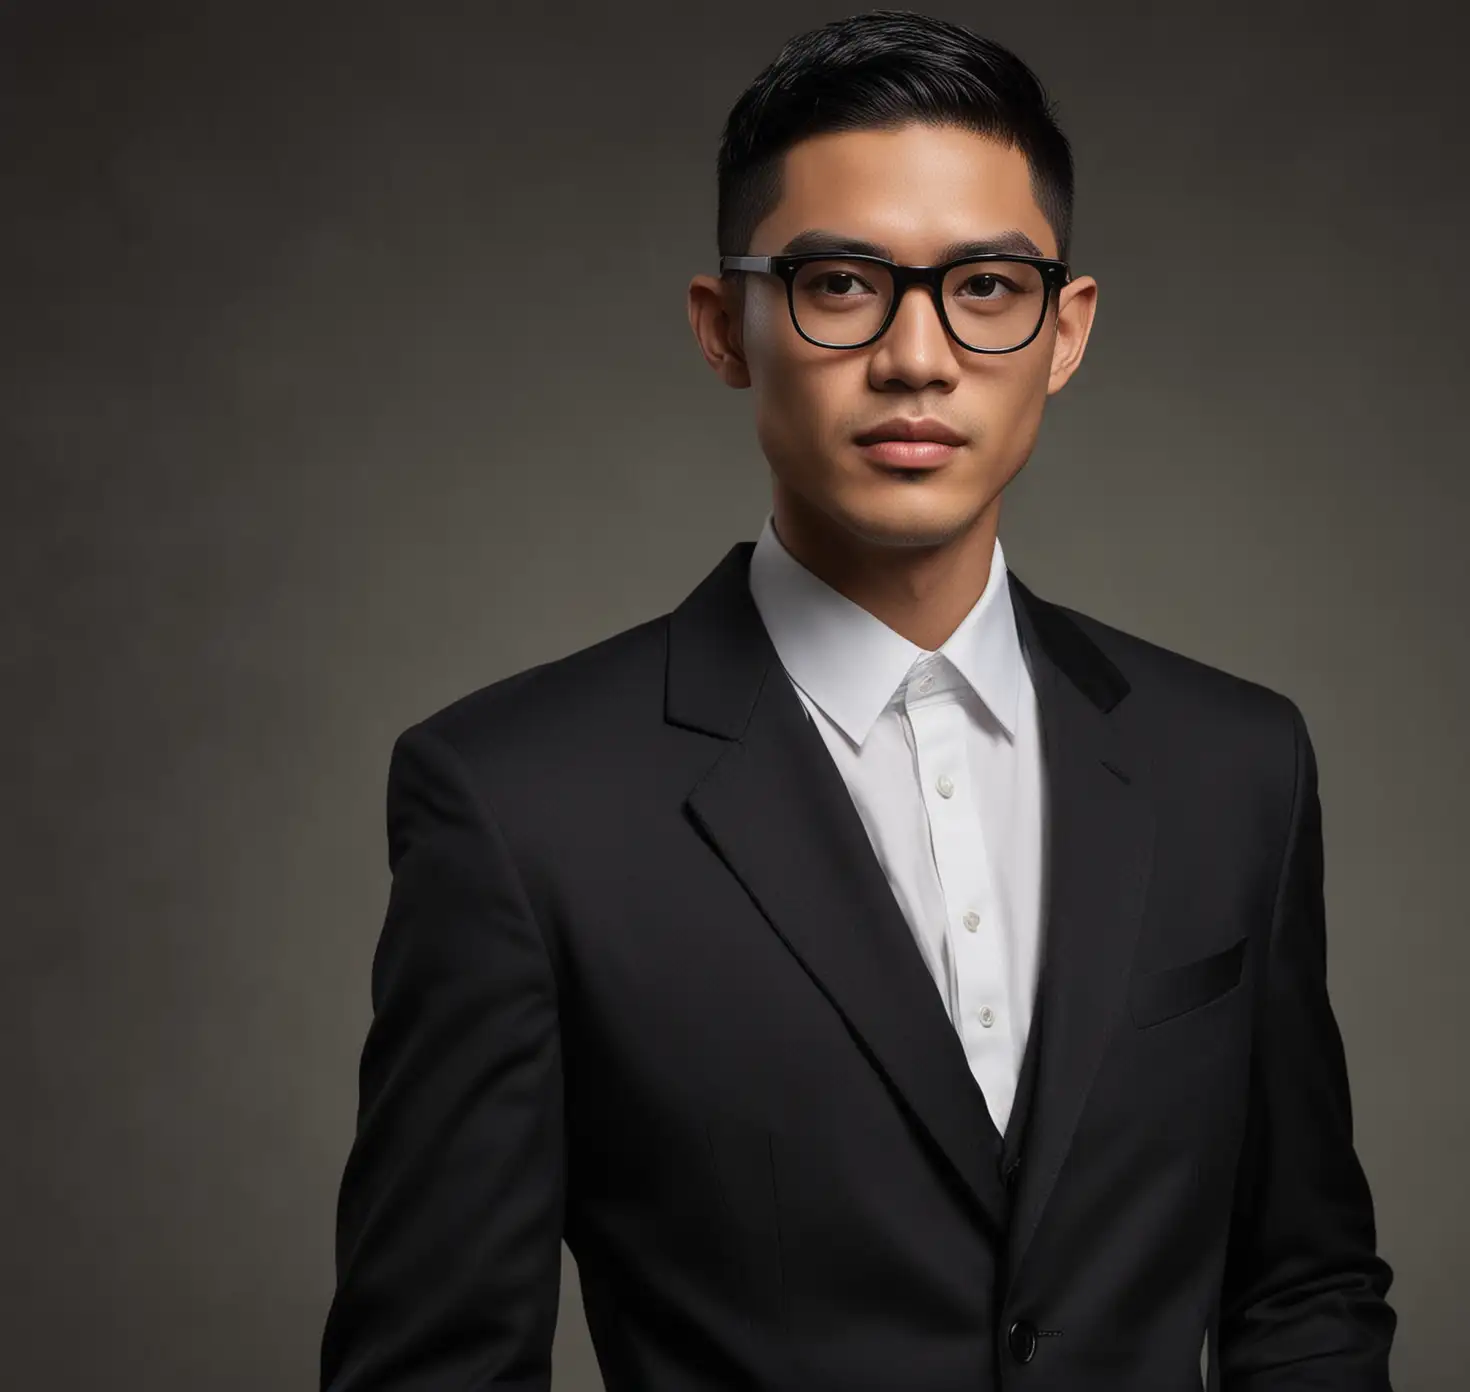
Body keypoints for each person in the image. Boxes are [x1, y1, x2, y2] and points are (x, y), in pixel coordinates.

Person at [318, 10, 1397, 1390]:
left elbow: (1302, 1284)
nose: (919, 357)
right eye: (841, 283)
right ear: (726, 327)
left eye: (988, 287)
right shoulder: (519, 805)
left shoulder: (1233, 764)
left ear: (1065, 332)